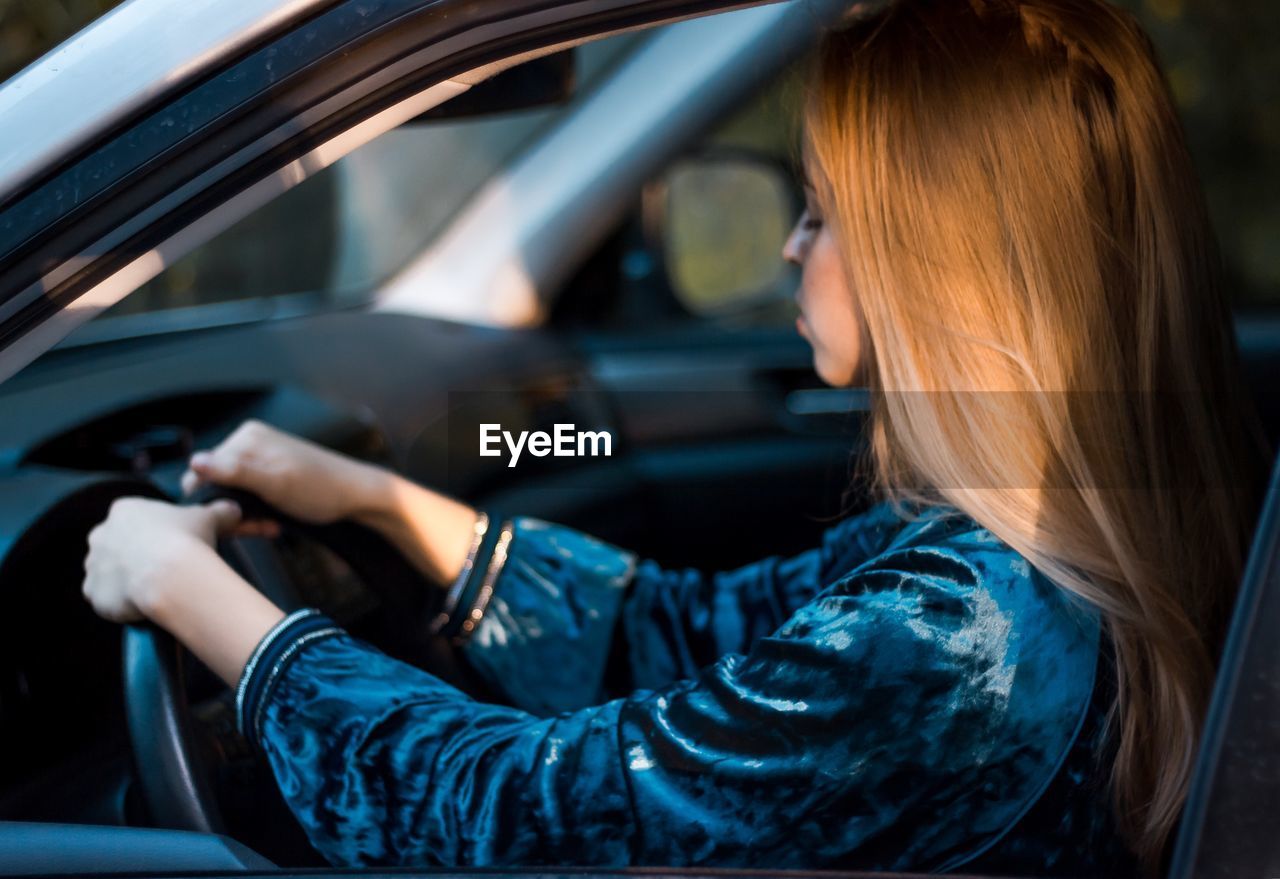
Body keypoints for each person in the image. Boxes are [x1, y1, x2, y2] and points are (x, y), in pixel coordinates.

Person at [82, 0, 1266, 875]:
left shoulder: (957, 637)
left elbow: (519, 813)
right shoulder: (1006, 562)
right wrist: (382, 503)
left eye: (820, 213)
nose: (790, 251)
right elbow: (687, 629)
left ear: (933, 266)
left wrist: (196, 596)